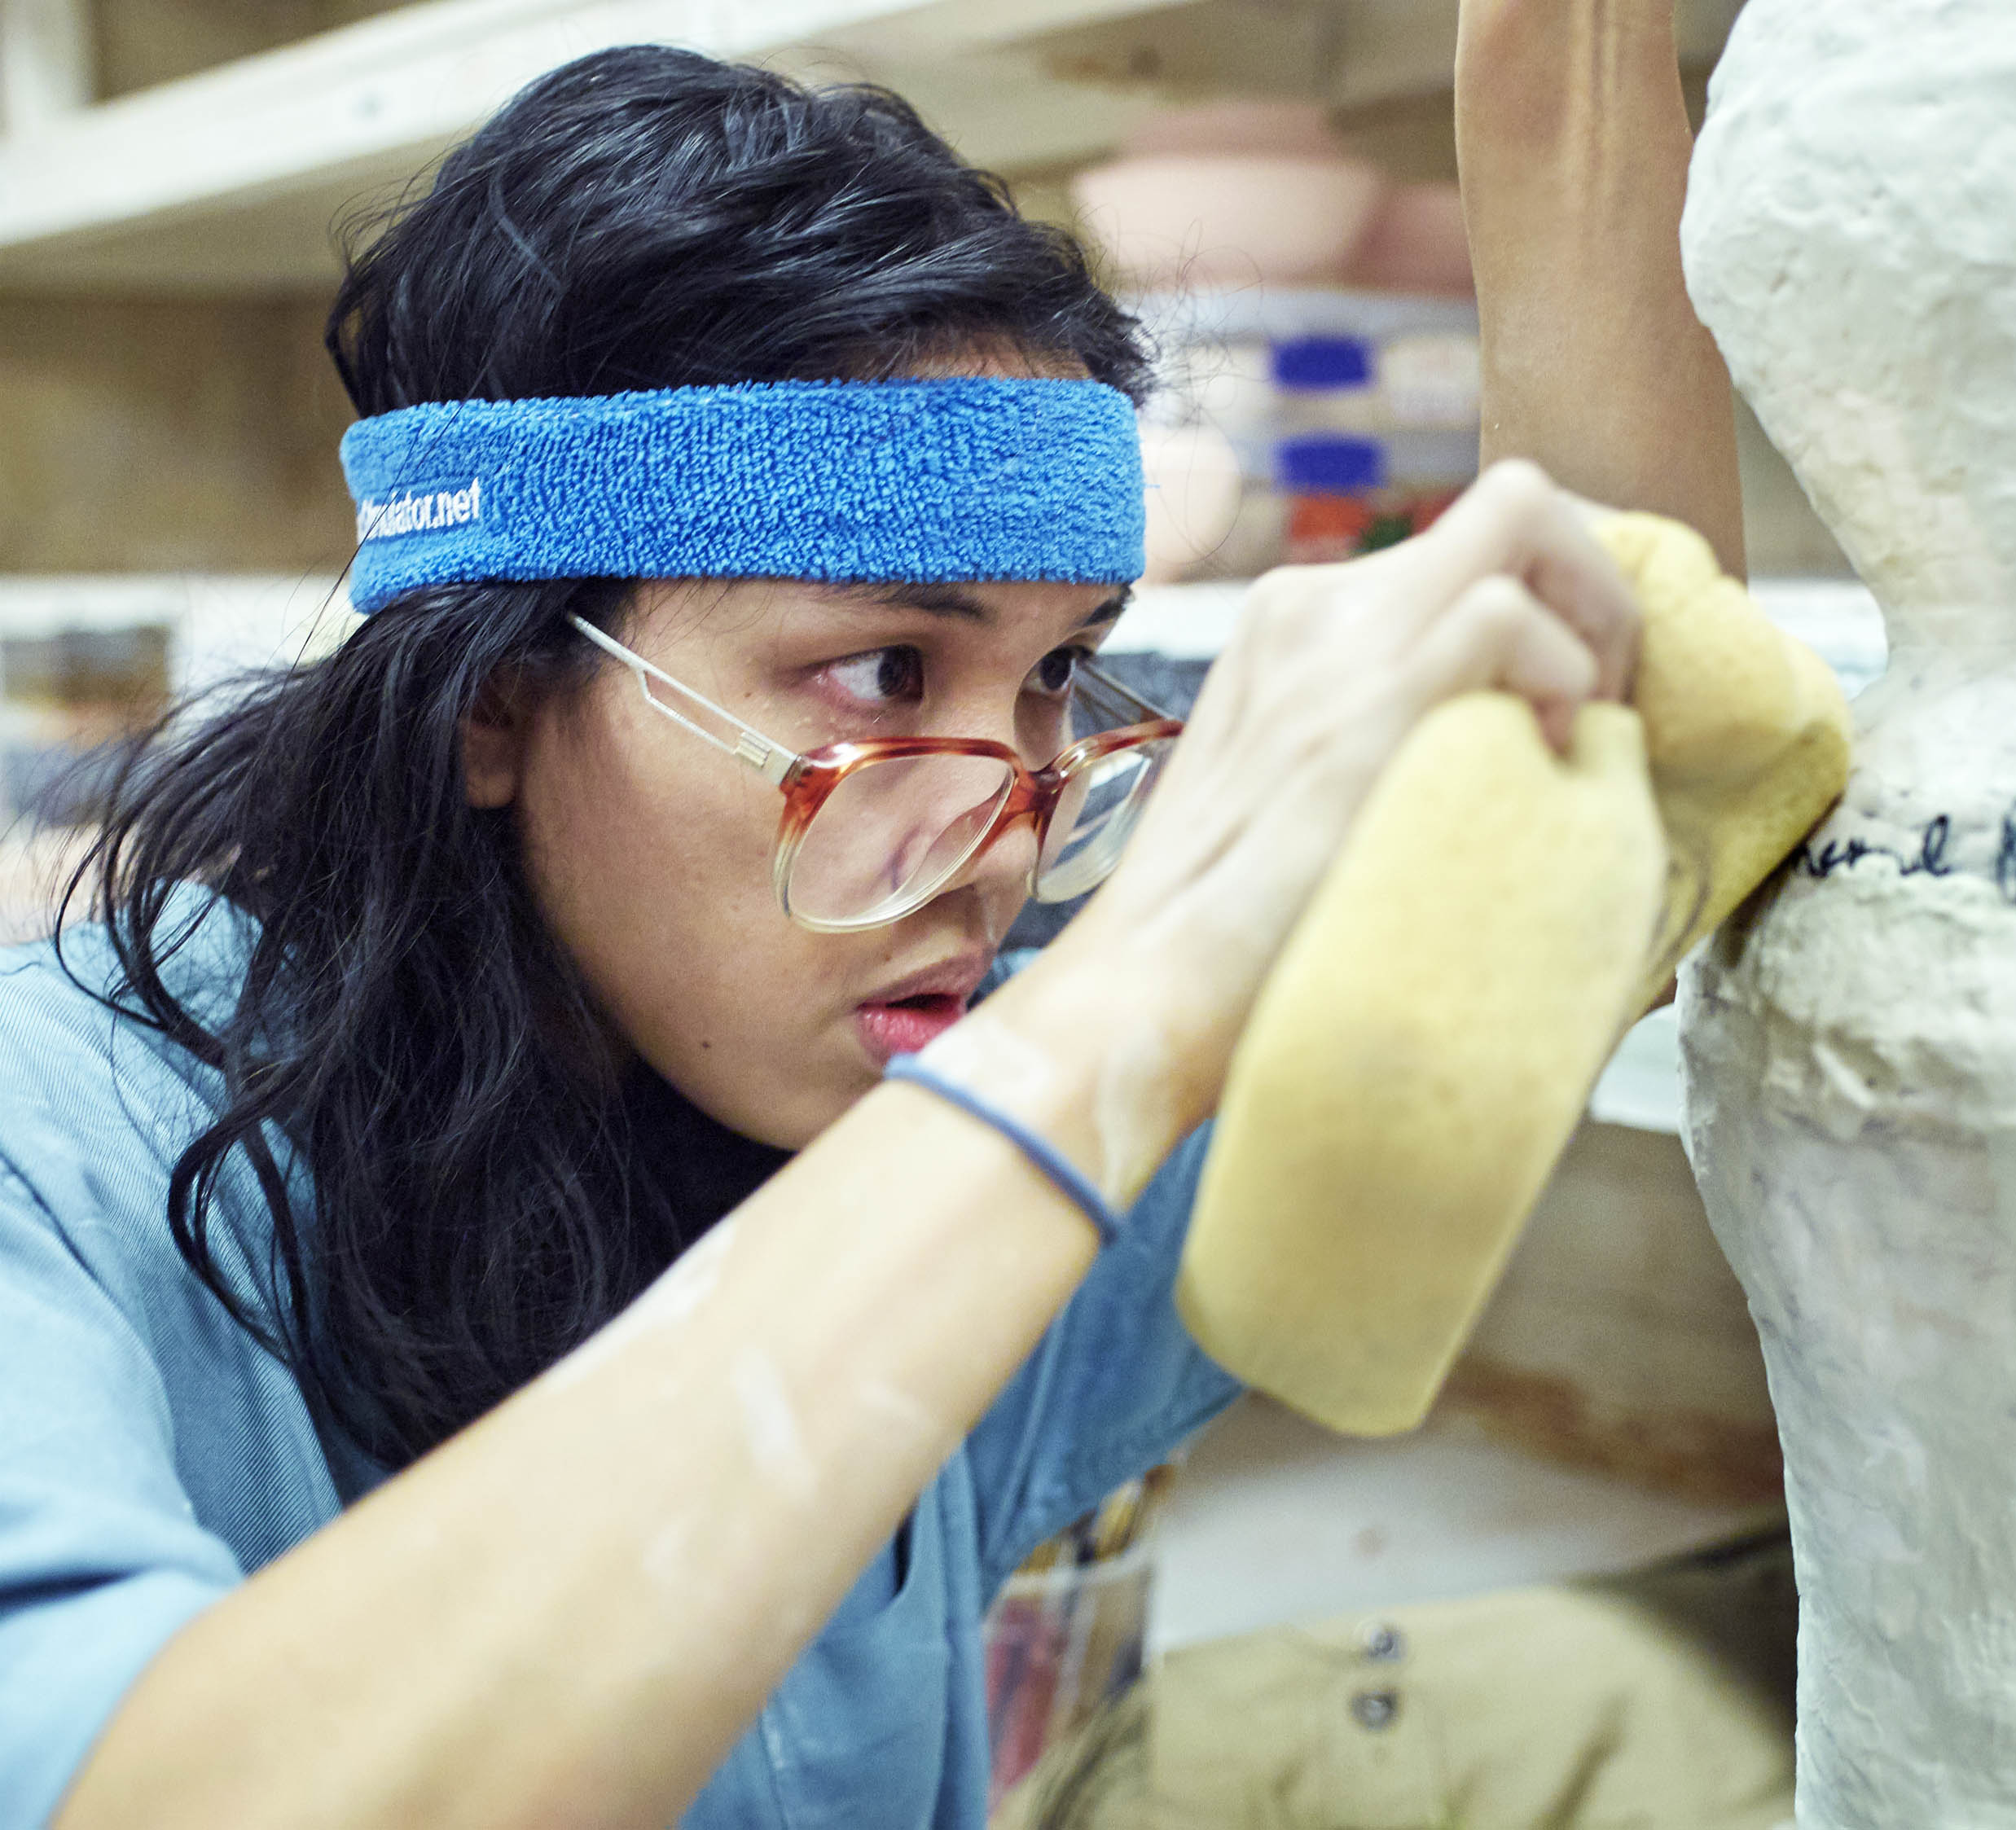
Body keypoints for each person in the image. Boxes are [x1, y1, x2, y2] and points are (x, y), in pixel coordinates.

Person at [0, 2, 1740, 1823]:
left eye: (1063, 670)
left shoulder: (885, 1101)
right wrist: (1105, 1031)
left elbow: (1602, 789)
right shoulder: (64, 1160)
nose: (998, 838)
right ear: (494, 701)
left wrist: (1564, 52)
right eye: (885, 669)